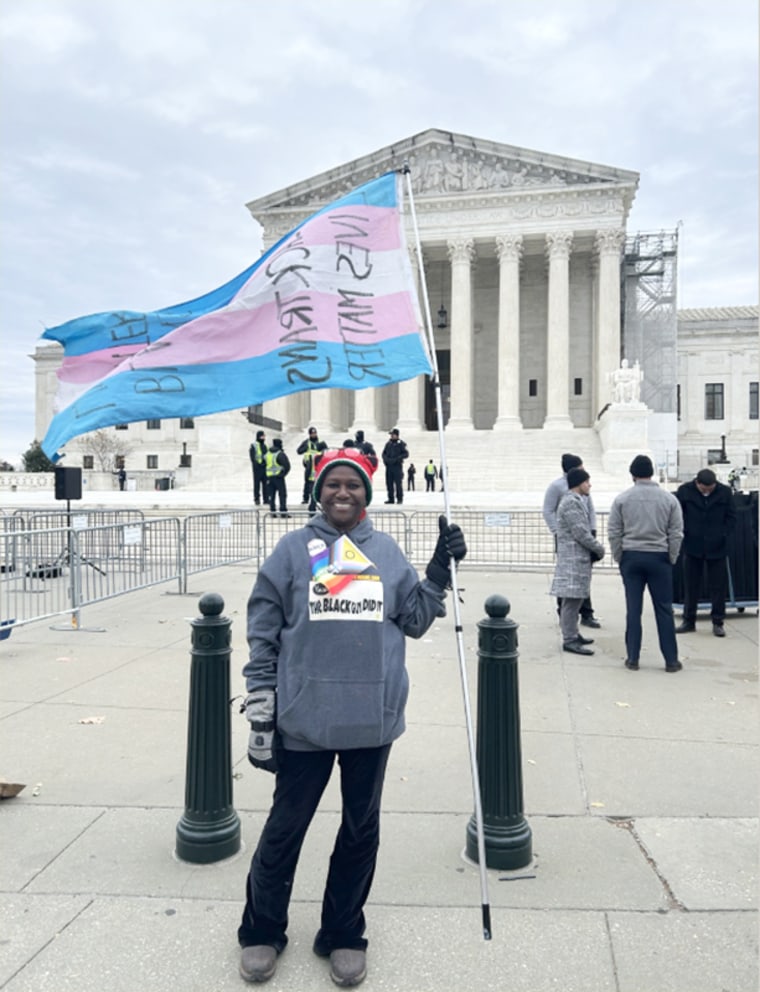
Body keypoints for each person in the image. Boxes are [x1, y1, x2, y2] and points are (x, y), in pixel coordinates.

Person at [237, 447, 467, 987]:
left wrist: (437, 571)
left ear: (368, 492)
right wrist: (263, 708)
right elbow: (263, 633)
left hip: (372, 719)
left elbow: (413, 619)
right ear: (320, 490)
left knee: (360, 831)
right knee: (284, 830)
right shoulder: (292, 551)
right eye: (334, 484)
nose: (344, 493)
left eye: (355, 485)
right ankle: (261, 930)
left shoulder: (385, 552)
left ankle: (343, 932)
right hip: (304, 720)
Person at [607, 454, 684, 672]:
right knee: (663, 609)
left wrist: (619, 555)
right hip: (659, 556)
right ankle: (671, 660)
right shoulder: (669, 499)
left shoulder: (622, 499)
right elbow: (676, 532)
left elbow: (614, 531)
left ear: (632, 474)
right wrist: (672, 557)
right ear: (652, 472)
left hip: (631, 556)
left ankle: (633, 657)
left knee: (633, 610)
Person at [675, 468, 736, 637]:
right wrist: (685, 531)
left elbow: (732, 517)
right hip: (692, 545)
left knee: (718, 586)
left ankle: (718, 621)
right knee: (691, 585)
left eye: (711, 489)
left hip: (717, 546)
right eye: (704, 489)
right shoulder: (685, 491)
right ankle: (689, 620)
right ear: (697, 483)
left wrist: (723, 533)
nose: (707, 491)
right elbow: (678, 515)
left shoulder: (724, 492)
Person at [550, 468, 606, 655]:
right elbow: (581, 532)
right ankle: (569, 638)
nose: (589, 485)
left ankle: (573, 633)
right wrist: (599, 548)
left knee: (575, 599)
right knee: (571, 601)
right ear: (578, 483)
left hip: (576, 559)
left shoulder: (574, 500)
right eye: (587, 481)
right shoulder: (571, 503)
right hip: (573, 559)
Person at [543, 454, 601, 629]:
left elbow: (590, 509)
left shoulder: (582, 486)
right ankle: (567, 616)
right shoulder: (558, 488)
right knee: (568, 578)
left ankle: (586, 612)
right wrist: (557, 531)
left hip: (584, 533)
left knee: (583, 576)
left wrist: (593, 530)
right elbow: (548, 510)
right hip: (568, 537)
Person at [296, 427, 328, 505]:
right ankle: (305, 498)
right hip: (309, 466)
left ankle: (318, 498)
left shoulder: (321, 442)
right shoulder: (306, 442)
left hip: (318, 466)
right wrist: (305, 449)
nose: (313, 435)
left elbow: (326, 451)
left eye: (315, 433)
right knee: (307, 482)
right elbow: (299, 451)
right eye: (312, 433)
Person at [381, 428, 408, 505]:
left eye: (393, 434)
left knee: (398, 483)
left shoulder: (401, 444)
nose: (391, 436)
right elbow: (384, 453)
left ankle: (399, 498)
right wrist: (386, 459)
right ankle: (391, 498)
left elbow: (406, 454)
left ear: (396, 435)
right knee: (389, 483)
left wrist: (397, 459)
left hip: (397, 466)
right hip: (389, 466)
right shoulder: (388, 443)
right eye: (391, 435)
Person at [265, 439, 290, 517]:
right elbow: (287, 466)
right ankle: (283, 512)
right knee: (282, 494)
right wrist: (283, 474)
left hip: (269, 477)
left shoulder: (267, 454)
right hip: (278, 478)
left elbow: (263, 464)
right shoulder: (280, 454)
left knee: (271, 496)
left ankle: (272, 512)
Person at [249, 431, 268, 505]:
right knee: (256, 484)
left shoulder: (265, 446)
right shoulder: (254, 445)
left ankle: (266, 499)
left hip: (264, 467)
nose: (263, 438)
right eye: (262, 436)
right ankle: (257, 499)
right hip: (257, 468)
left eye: (264, 436)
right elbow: (253, 456)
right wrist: (256, 464)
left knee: (265, 485)